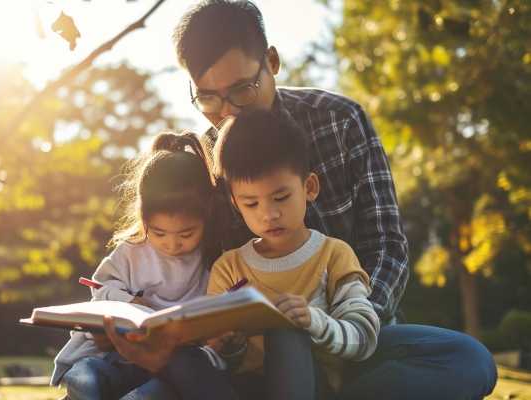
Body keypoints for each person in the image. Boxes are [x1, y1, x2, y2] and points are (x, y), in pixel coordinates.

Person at [104, 1, 497, 399]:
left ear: (271, 62)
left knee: (469, 361)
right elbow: (199, 271)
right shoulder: (205, 161)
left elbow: (386, 247)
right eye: (207, 98)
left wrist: (337, 330)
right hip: (256, 358)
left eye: (242, 89)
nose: (226, 112)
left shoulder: (340, 121)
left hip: (352, 341)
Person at [202, 110, 380, 399]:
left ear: (309, 187)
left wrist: (312, 321)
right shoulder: (229, 267)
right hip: (245, 390)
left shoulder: (333, 254)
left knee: (284, 332)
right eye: (251, 203)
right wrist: (229, 343)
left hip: (313, 387)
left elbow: (364, 337)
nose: (268, 215)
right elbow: (221, 358)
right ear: (236, 203)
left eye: (281, 198)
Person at [52, 132, 235, 400]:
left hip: (174, 364)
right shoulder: (131, 251)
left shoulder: (214, 257)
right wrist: (129, 303)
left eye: (186, 234)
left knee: (164, 387)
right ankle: (88, 383)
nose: (172, 245)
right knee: (92, 373)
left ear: (207, 214)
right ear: (143, 216)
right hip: (121, 354)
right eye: (159, 233)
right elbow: (102, 289)